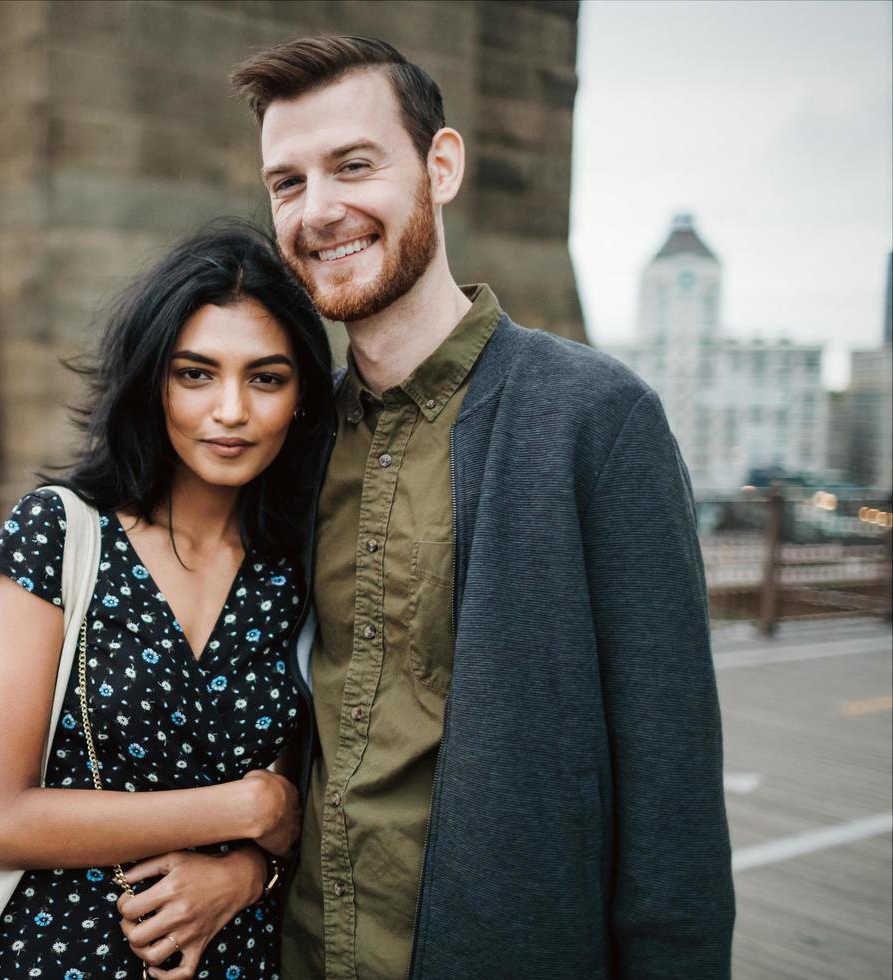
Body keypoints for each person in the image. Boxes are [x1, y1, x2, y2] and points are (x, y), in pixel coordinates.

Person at [120, 35, 737, 979]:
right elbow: (298, 712)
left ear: (439, 167)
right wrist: (245, 859)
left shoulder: (596, 422)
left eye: (354, 166)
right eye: (287, 183)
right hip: (298, 955)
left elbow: (672, 793)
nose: (320, 210)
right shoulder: (298, 436)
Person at [0, 222, 334, 979]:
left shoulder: (298, 569)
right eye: (196, 374)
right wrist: (243, 811)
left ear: (300, 400)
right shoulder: (60, 535)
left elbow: (309, 798)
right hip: (59, 958)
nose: (231, 409)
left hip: (243, 957)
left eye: (266, 378)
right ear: (152, 382)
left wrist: (246, 874)